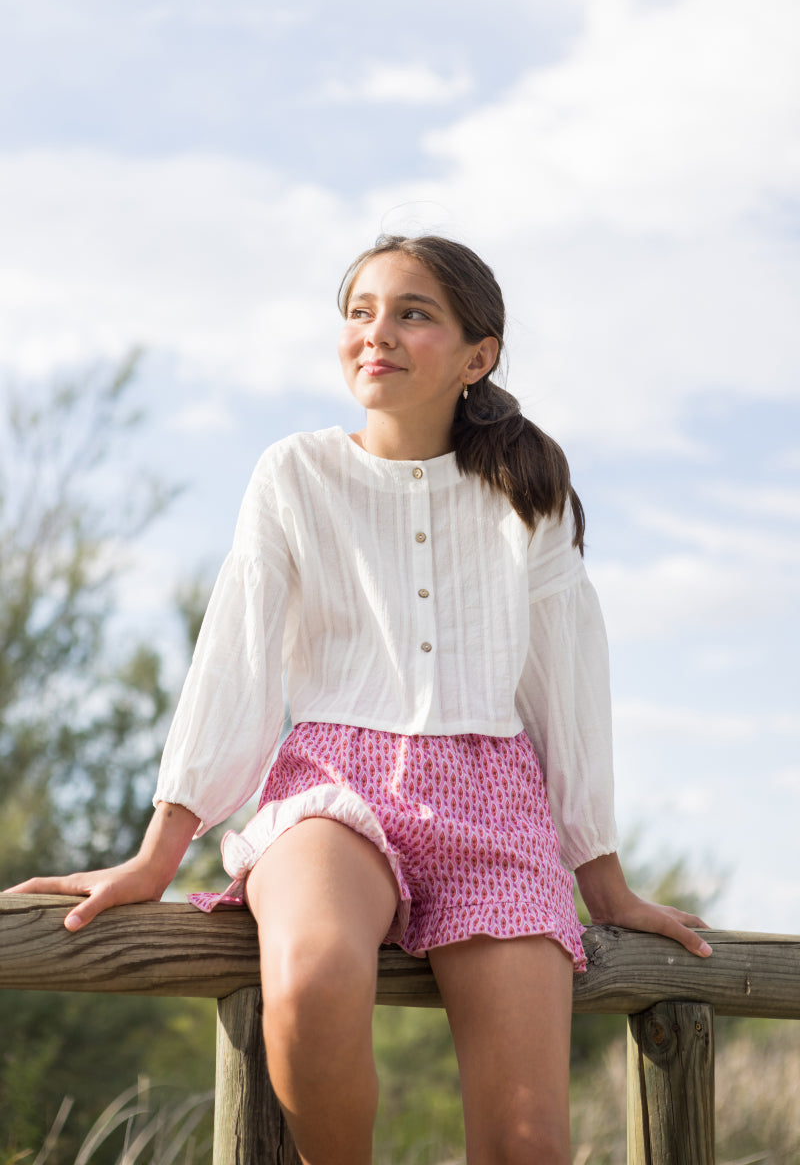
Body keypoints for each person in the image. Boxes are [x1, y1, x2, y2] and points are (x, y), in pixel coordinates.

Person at [7, 235, 712, 1165]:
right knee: (307, 976)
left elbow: (567, 687)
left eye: (411, 313)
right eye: (359, 313)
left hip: (494, 801)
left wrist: (604, 880)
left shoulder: (527, 492)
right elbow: (236, 661)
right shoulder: (293, 474)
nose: (375, 334)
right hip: (333, 793)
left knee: (528, 1142)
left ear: (478, 355)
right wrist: (156, 854)